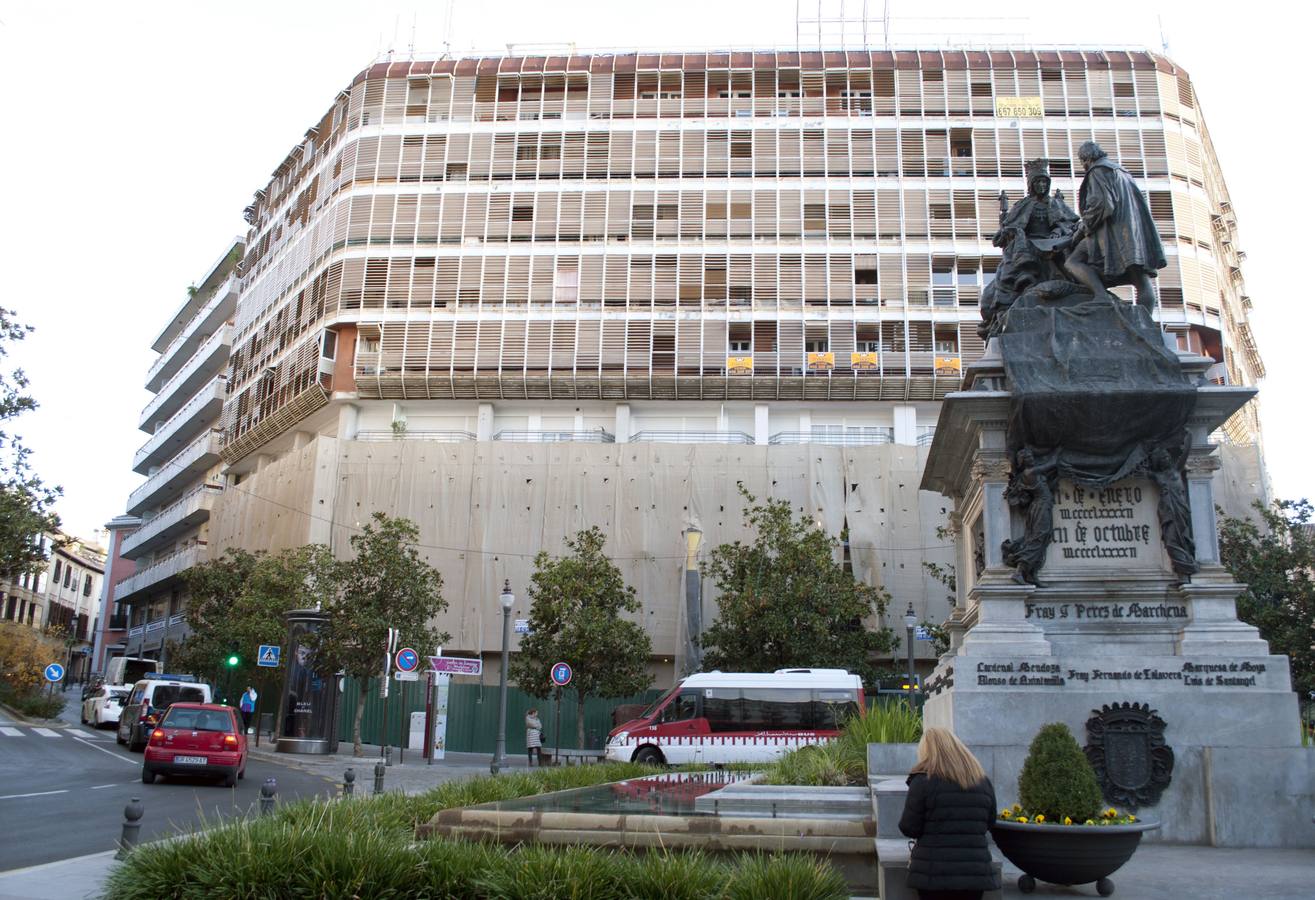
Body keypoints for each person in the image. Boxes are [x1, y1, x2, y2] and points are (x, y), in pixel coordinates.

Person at [1064, 140, 1167, 311]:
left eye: (1082, 162)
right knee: (1140, 278)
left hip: (1113, 232)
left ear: (1086, 159)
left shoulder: (1098, 171)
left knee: (1073, 261)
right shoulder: (1122, 172)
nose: (1083, 166)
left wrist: (1083, 228)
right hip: (1134, 233)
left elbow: (1102, 204)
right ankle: (1146, 326)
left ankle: (1101, 296)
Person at [899, 727, 1000, 900]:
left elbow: (909, 827)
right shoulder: (982, 781)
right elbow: (990, 822)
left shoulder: (923, 781)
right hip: (975, 873)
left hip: (933, 874)